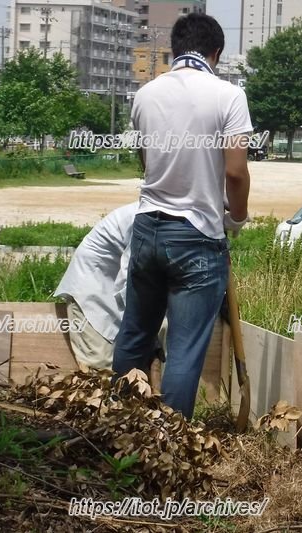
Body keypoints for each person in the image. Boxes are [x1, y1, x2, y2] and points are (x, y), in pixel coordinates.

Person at [112, 13, 252, 419]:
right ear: (217, 53)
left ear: (174, 50)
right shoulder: (228, 96)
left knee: (135, 335)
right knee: (185, 350)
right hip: (196, 236)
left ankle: (121, 426)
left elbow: (145, 159)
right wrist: (237, 219)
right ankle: (168, 446)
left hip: (147, 228)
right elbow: (235, 171)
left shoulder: (145, 94)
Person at [54, 202, 167, 370]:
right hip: (92, 283)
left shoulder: (180, 216)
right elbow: (132, 275)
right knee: (100, 365)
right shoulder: (150, 218)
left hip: (122, 282)